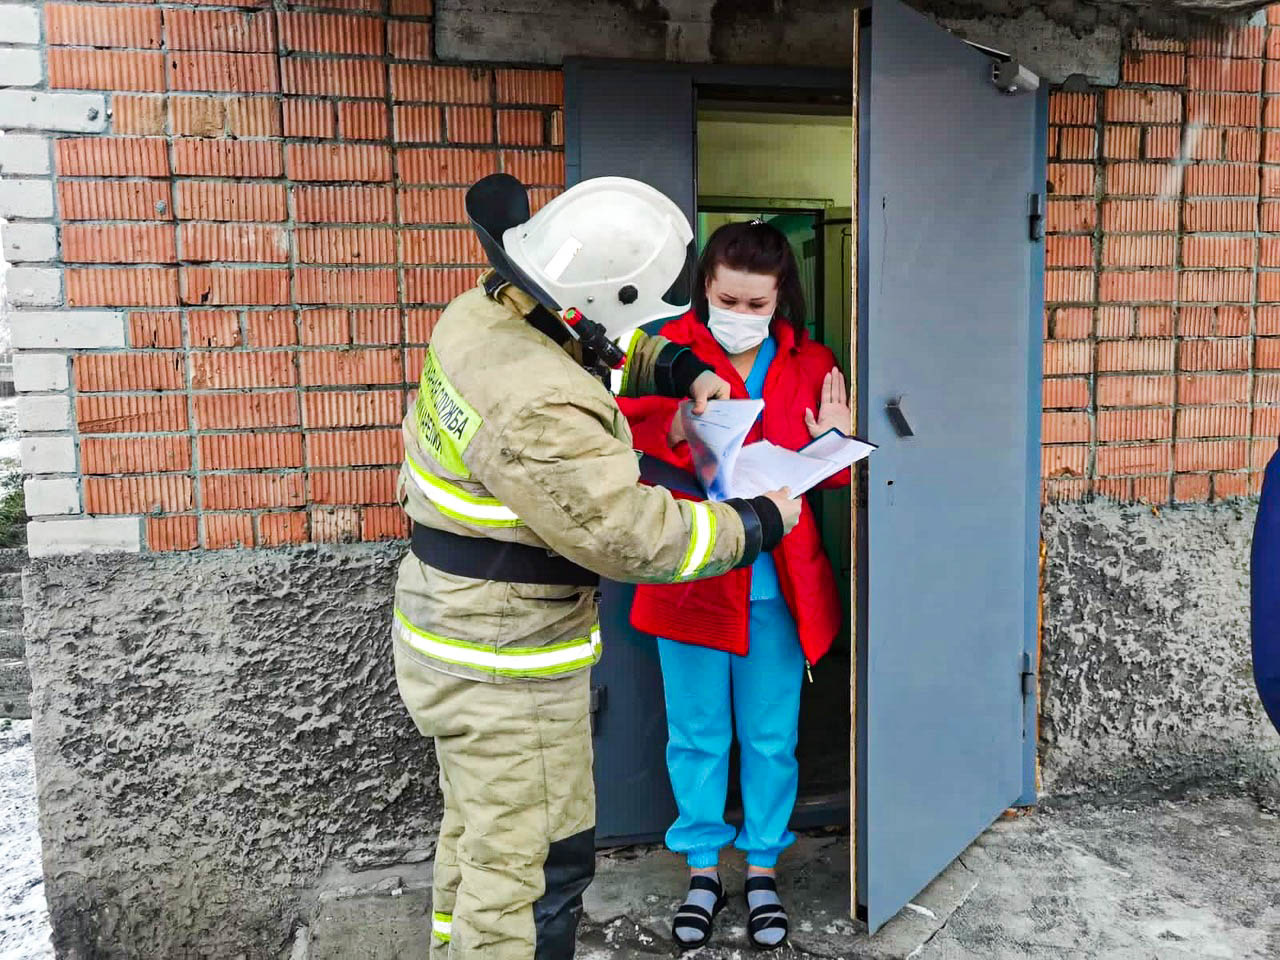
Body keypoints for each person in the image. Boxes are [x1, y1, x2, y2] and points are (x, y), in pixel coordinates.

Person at [392, 175, 802, 960]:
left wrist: (679, 369)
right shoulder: (540, 403)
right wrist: (757, 521)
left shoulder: (484, 317)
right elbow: (632, 536)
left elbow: (595, 349)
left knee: (480, 842)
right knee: (532, 870)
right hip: (506, 664)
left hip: (454, 629)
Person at [617, 220, 851, 952]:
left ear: (781, 299)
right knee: (697, 737)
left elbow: (831, 478)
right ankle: (699, 873)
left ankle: (761, 872)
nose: (742, 315)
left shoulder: (812, 360)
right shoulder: (659, 349)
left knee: (772, 739)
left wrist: (836, 441)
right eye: (728, 299)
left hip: (778, 584)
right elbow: (611, 431)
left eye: (757, 304)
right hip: (691, 571)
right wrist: (679, 424)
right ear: (704, 289)